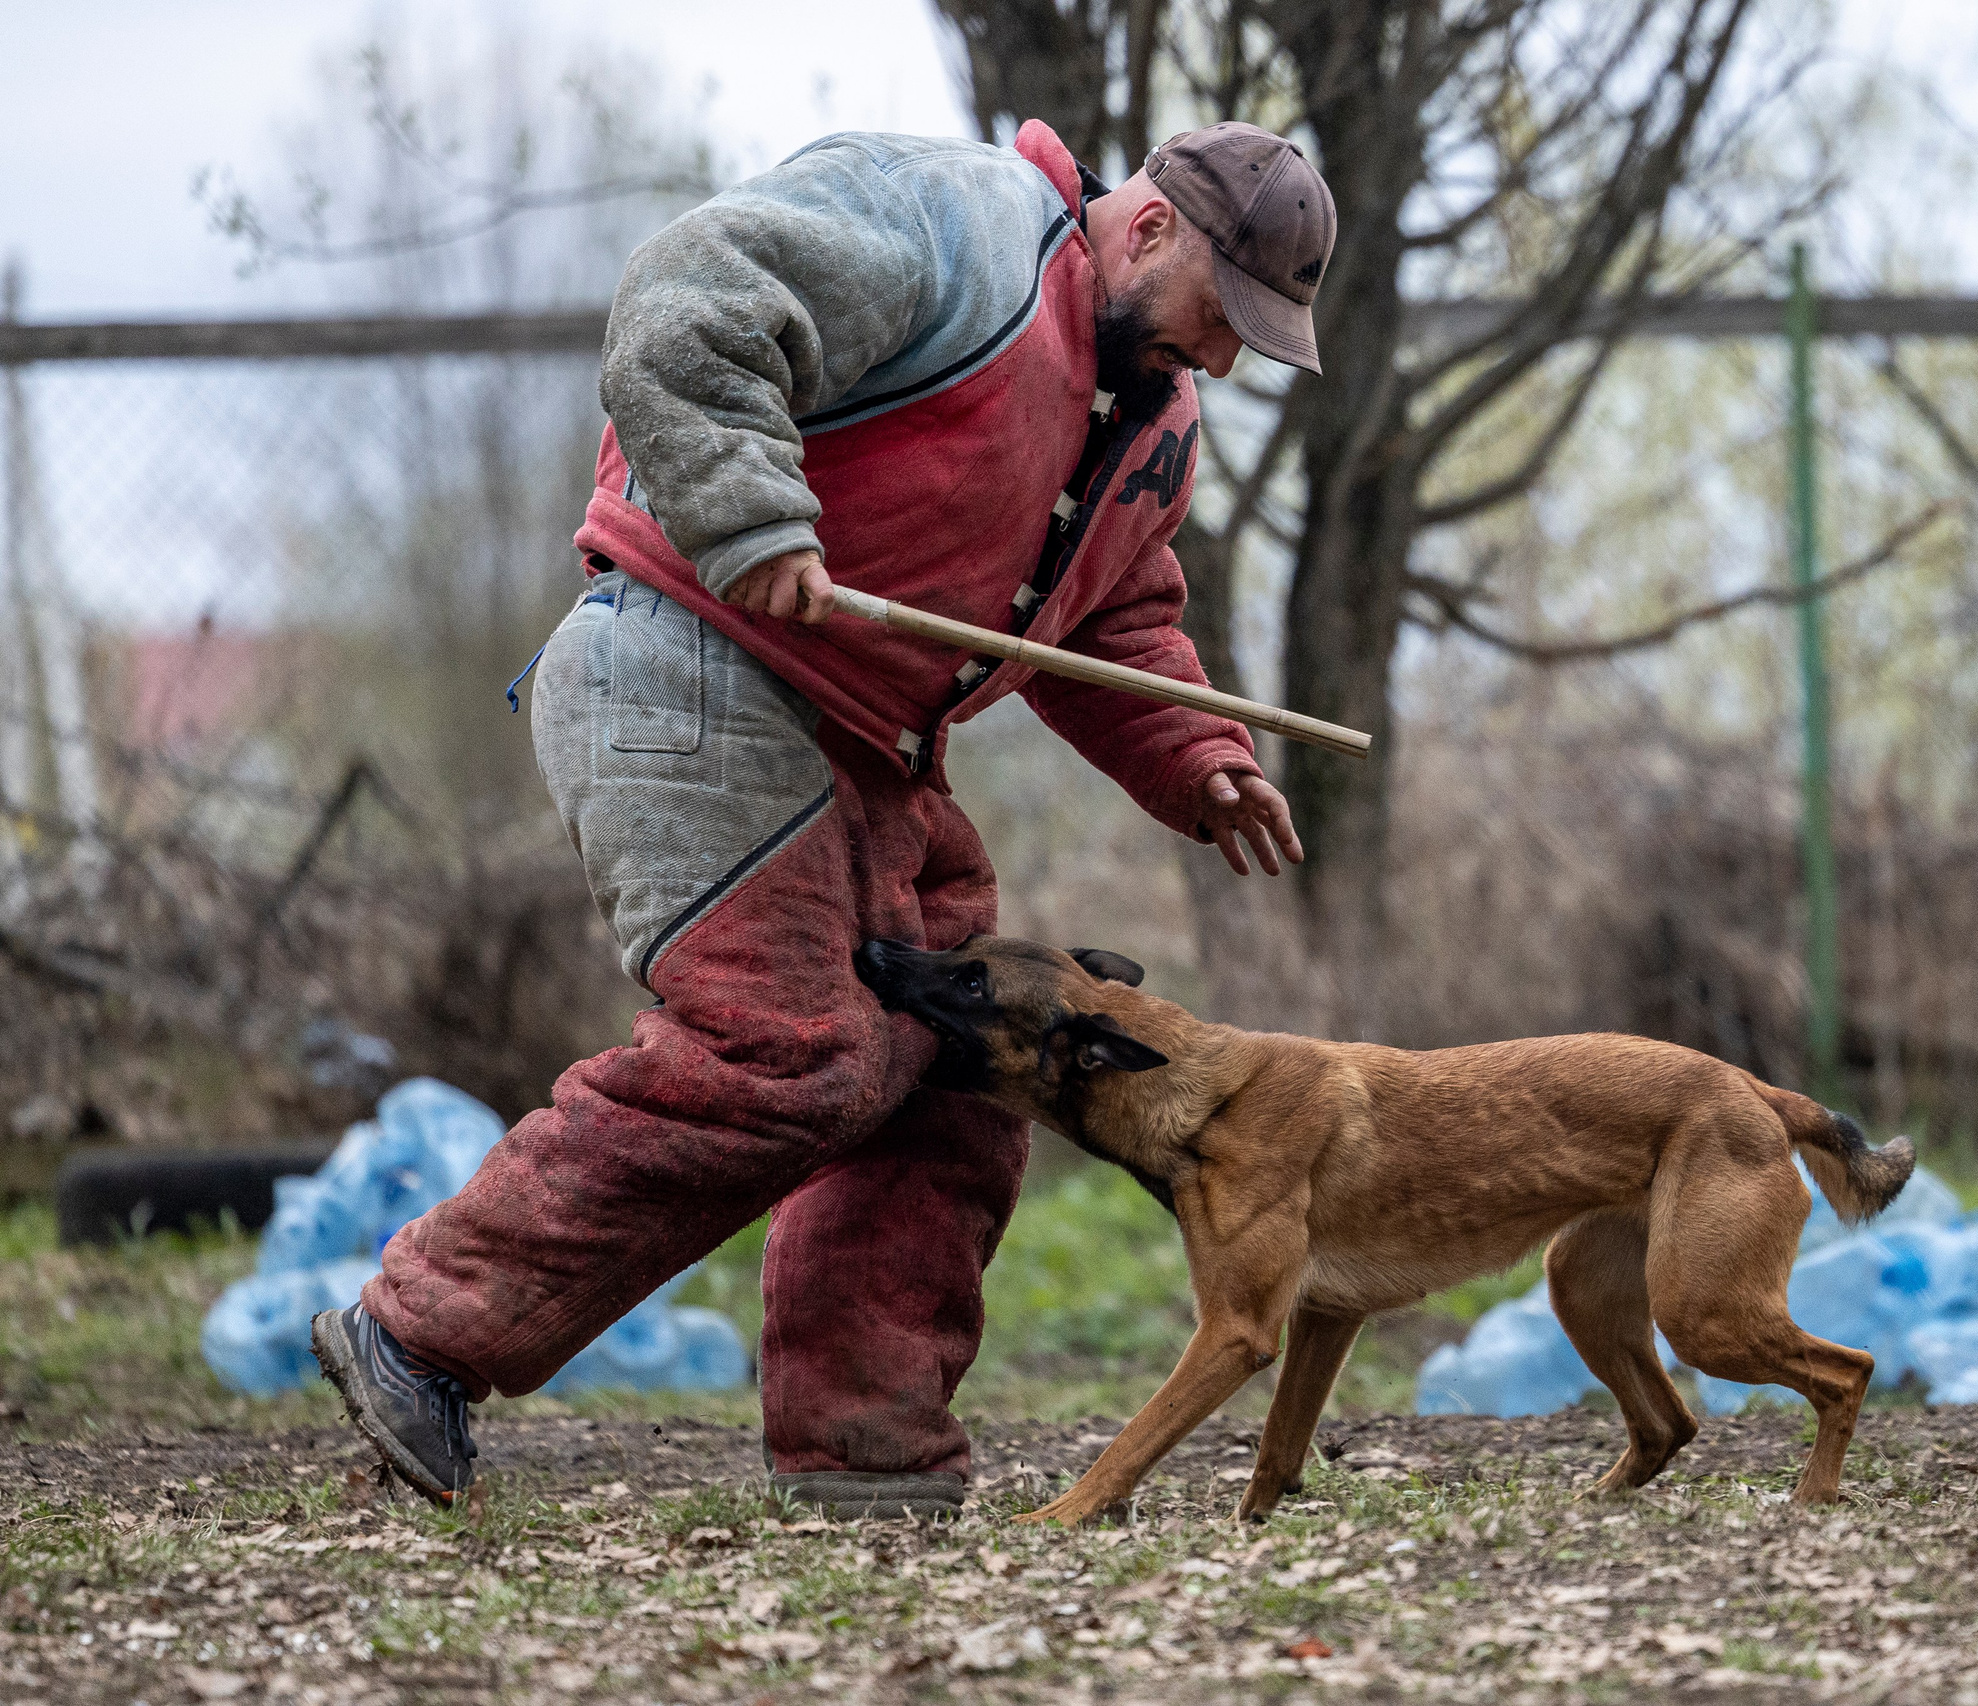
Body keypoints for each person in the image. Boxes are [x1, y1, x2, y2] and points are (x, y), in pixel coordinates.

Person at [310, 120, 1338, 1517]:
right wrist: (755, 518)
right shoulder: (951, 225)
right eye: (1225, 316)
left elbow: (1123, 613)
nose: (1222, 357)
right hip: (686, 658)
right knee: (790, 1052)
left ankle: (869, 1462)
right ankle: (422, 1328)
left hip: (868, 746)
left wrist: (1199, 750)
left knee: (963, 1054)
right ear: (1151, 231)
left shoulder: (1153, 421)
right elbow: (689, 301)